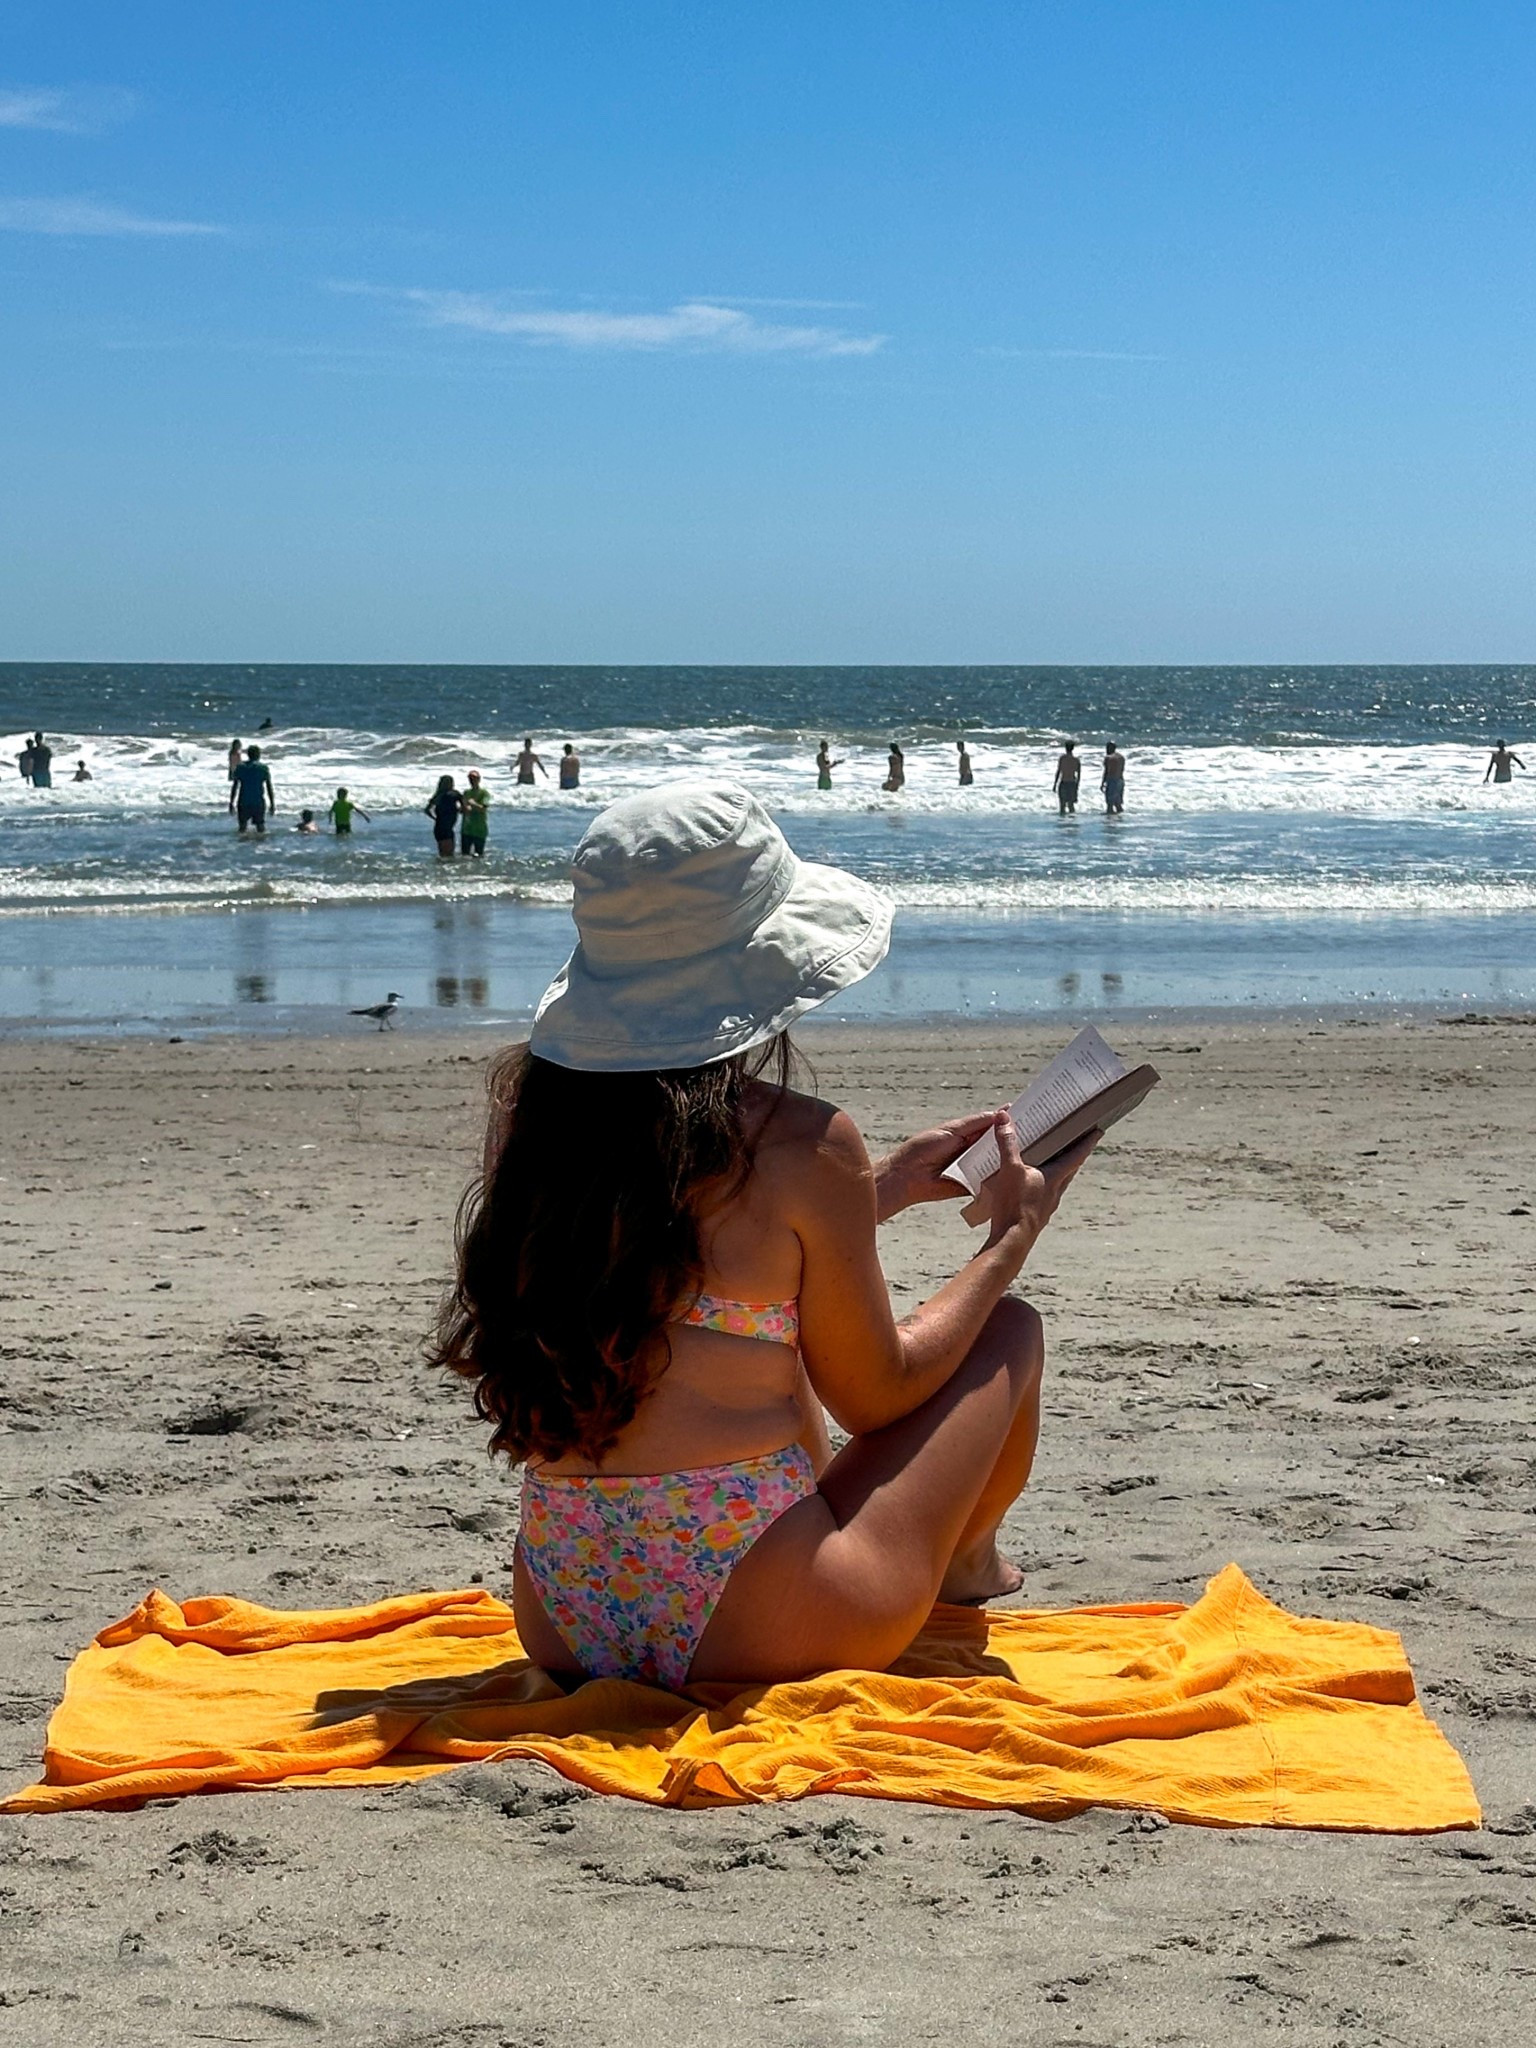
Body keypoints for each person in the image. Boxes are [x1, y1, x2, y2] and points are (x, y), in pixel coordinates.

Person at [432, 782, 1096, 1690]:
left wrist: (886, 1188)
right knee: (1007, 1330)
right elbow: (876, 1397)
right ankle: (966, 1563)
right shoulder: (801, 1142)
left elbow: (683, 1271)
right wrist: (1010, 1236)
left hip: (564, 1614)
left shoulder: (534, 1125)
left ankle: (949, 1560)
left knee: (772, 1357)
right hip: (766, 1618)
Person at [229, 745, 275, 834]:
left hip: (243, 801)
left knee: (242, 829)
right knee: (260, 828)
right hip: (258, 802)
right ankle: (261, 842)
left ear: (248, 755)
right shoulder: (263, 768)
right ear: (258, 755)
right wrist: (272, 803)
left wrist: (231, 802)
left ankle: (241, 842)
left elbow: (235, 786)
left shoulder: (241, 767)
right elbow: (269, 787)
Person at [425, 775, 460, 856]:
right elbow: (464, 806)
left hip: (438, 827)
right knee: (449, 854)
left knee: (442, 853)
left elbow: (427, 810)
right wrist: (457, 810)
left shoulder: (438, 795)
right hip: (447, 828)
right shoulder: (454, 794)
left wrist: (436, 818)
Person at [461, 770, 491, 857]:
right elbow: (463, 808)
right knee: (465, 855)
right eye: (470, 778)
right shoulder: (466, 792)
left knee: (479, 855)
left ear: (479, 779)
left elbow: (483, 809)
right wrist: (464, 808)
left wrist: (473, 803)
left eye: (474, 778)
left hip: (480, 829)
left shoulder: (484, 793)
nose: (472, 780)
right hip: (466, 829)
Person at [1053, 741, 1079, 814]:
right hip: (1072, 783)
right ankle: (1072, 818)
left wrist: (1055, 784)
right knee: (1071, 805)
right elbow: (1078, 775)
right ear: (1073, 748)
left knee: (1062, 805)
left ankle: (1062, 820)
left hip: (1063, 782)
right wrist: (1077, 787)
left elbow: (1059, 771)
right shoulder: (1076, 760)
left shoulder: (1062, 759)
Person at [1101, 742, 1126, 814]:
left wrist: (1103, 783)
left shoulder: (1108, 758)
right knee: (1118, 804)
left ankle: (1109, 820)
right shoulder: (1121, 757)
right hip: (1120, 780)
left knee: (1110, 805)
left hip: (1112, 781)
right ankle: (1121, 818)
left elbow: (1106, 771)